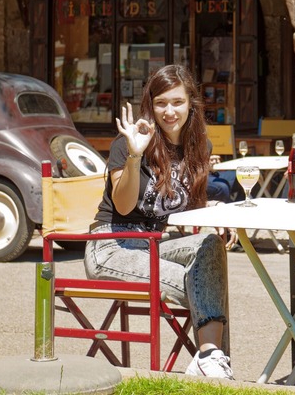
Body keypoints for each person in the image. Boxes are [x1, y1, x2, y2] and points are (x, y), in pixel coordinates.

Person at [84, 64, 233, 379]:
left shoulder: (199, 147)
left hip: (152, 244)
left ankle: (209, 359)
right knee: (205, 285)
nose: (169, 111)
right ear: (150, 106)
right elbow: (123, 206)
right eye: (161, 103)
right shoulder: (130, 142)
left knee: (210, 246)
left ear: (191, 104)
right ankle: (212, 363)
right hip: (111, 246)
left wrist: (218, 211)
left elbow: (187, 205)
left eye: (177, 102)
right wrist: (135, 155)